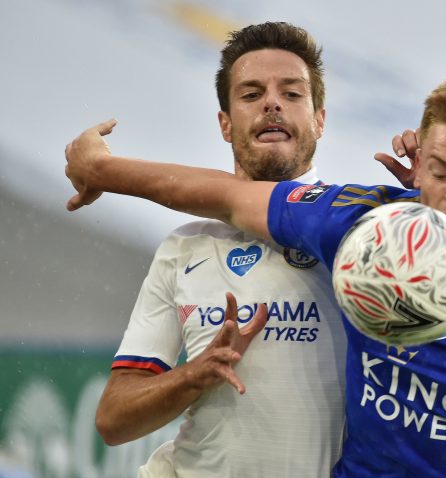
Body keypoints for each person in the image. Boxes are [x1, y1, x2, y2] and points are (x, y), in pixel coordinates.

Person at [65, 78, 446, 477]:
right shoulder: (361, 223)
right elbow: (229, 196)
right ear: (417, 164)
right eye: (441, 170)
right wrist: (104, 170)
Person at [89, 22, 347, 477]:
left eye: (291, 93)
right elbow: (113, 419)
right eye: (251, 95)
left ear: (320, 119)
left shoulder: (355, 238)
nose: (271, 103)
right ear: (226, 125)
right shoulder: (185, 247)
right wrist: (196, 373)